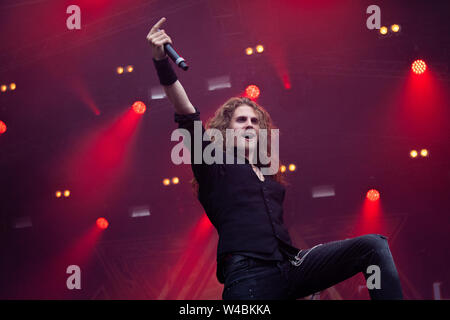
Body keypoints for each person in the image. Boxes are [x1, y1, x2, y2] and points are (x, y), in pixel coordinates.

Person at [146, 17, 404, 300]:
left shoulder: (268, 174)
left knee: (373, 245)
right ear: (225, 130)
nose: (249, 125)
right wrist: (161, 63)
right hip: (249, 277)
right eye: (241, 120)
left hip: (289, 266)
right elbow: (187, 113)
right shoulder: (213, 165)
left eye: (255, 121)